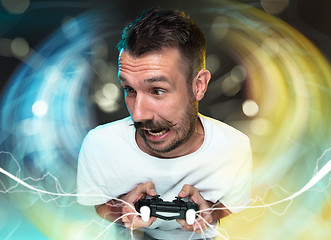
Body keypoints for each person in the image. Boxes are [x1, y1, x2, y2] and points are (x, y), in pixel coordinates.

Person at [77, 7, 252, 240]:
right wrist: (122, 210)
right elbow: (99, 205)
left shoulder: (234, 148)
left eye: (157, 90)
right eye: (129, 89)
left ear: (198, 85)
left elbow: (233, 203)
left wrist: (210, 211)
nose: (138, 114)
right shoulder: (99, 144)